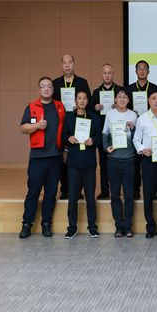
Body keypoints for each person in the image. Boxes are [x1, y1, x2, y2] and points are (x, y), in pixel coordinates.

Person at [19, 76, 66, 239]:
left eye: (49, 86)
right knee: (33, 192)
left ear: (53, 90)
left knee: (51, 193)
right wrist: (37, 126)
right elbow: (23, 128)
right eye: (43, 86)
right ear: (39, 90)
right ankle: (26, 224)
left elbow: (65, 129)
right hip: (37, 158)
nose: (46, 89)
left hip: (55, 157)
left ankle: (46, 223)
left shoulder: (60, 106)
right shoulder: (32, 106)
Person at [133, 89, 157, 238]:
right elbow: (136, 139)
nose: (156, 101)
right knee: (148, 195)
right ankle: (150, 227)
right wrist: (143, 150)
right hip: (148, 160)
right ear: (149, 101)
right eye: (153, 98)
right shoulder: (142, 119)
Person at [62, 91, 101, 239]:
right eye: (79, 98)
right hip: (73, 163)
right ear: (75, 101)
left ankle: (92, 227)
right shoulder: (69, 118)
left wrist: (93, 141)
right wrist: (69, 138)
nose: (82, 101)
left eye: (84, 98)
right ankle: (72, 228)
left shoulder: (94, 118)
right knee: (73, 197)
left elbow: (100, 138)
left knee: (90, 197)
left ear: (87, 101)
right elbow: (63, 136)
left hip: (89, 163)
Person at [52, 54, 91, 200]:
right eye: (64, 63)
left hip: (78, 124)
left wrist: (80, 107)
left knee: (77, 157)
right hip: (61, 125)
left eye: (70, 62)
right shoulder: (56, 83)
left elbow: (88, 103)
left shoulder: (82, 82)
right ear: (61, 65)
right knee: (62, 157)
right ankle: (64, 190)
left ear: (74, 64)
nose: (67, 65)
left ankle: (77, 190)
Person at [102, 88, 138, 238]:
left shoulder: (133, 115)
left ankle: (128, 227)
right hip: (113, 160)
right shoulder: (110, 114)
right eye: (119, 97)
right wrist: (106, 147)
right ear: (115, 100)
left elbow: (138, 136)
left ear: (128, 100)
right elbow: (105, 133)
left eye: (125, 97)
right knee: (115, 194)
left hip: (129, 159)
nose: (122, 99)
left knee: (129, 195)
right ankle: (118, 227)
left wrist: (133, 128)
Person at [126, 59, 157, 201]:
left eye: (144, 68)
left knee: (154, 159)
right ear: (135, 71)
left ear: (148, 71)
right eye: (139, 68)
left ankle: (155, 190)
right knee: (135, 161)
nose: (141, 70)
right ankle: (136, 190)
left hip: (150, 127)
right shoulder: (129, 89)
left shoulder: (154, 88)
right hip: (133, 127)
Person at [90, 63, 121, 200]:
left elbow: (127, 107)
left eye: (109, 73)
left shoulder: (120, 90)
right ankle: (104, 191)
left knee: (118, 162)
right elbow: (90, 111)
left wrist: (118, 106)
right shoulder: (96, 92)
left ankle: (117, 190)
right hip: (103, 132)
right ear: (102, 75)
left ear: (113, 74)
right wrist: (95, 107)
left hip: (117, 132)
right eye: (105, 73)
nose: (107, 75)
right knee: (103, 163)